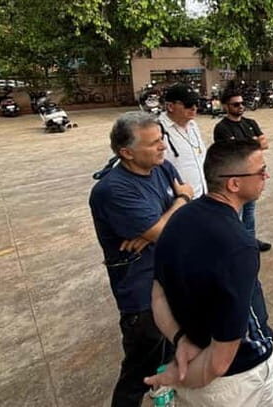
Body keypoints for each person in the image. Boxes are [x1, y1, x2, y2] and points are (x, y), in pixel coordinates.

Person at [143, 140, 273, 405]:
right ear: (234, 184)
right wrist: (175, 376)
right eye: (261, 171)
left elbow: (158, 294)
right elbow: (218, 361)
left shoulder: (179, 218)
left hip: (203, 369)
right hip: (237, 381)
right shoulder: (238, 246)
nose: (266, 176)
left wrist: (180, 338)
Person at [89, 112, 193, 407]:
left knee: (171, 352)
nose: (163, 147)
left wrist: (156, 229)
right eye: (153, 143)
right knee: (139, 370)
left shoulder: (162, 167)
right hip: (141, 294)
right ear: (126, 152)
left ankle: (164, 394)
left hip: (170, 279)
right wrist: (181, 201)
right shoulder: (113, 189)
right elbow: (177, 212)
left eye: (162, 139)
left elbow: (174, 225)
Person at [213, 88, 272, 252]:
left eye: (242, 103)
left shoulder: (250, 123)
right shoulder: (221, 128)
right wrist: (252, 143)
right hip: (234, 179)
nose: (240, 107)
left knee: (250, 211)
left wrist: (244, 144)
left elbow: (264, 144)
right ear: (226, 106)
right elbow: (230, 153)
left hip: (253, 176)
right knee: (234, 213)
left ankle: (250, 243)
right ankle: (235, 246)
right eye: (235, 104)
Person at [159, 83, 207, 199]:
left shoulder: (193, 125)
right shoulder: (158, 130)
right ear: (170, 106)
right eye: (188, 104)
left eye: (196, 103)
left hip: (201, 194)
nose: (194, 108)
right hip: (178, 200)